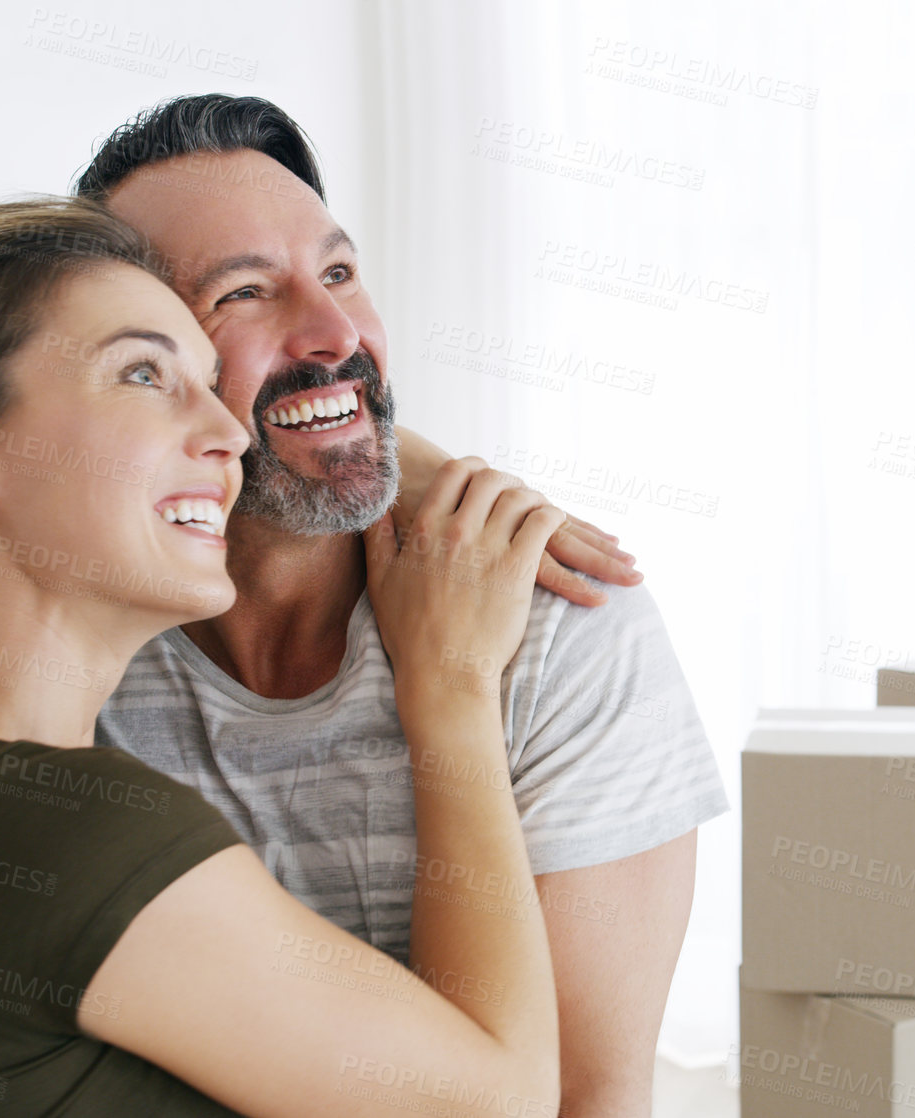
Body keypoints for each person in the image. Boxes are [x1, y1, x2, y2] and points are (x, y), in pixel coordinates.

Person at [0, 197, 575, 1116]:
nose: (229, 431)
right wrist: (453, 685)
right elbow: (502, 1105)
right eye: (143, 373)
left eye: (210, 377)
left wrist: (374, 449)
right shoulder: (46, 832)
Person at [75, 95, 729, 1116]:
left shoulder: (556, 622)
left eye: (338, 272)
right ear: (137, 366)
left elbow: (587, 1099)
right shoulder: (75, 650)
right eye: (245, 292)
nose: (338, 332)